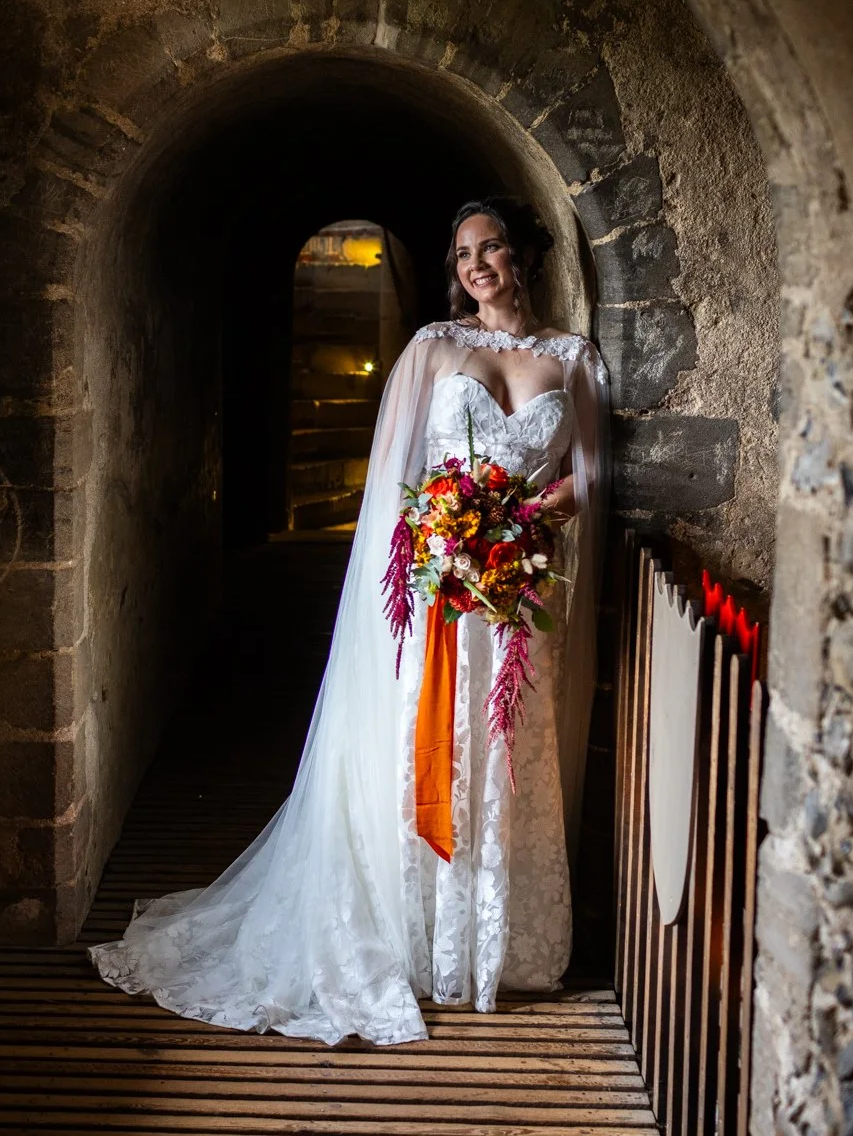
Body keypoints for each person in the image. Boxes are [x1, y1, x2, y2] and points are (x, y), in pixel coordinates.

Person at [90, 197, 608, 1045]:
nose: (476, 265)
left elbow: (583, 476)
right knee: (420, 755)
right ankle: (412, 943)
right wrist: (442, 543)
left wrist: (523, 524)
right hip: (438, 596)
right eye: (463, 253)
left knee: (503, 761)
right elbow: (390, 486)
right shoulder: (433, 348)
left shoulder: (571, 357)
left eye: (492, 248)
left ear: (525, 257)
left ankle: (489, 948)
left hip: (513, 599)